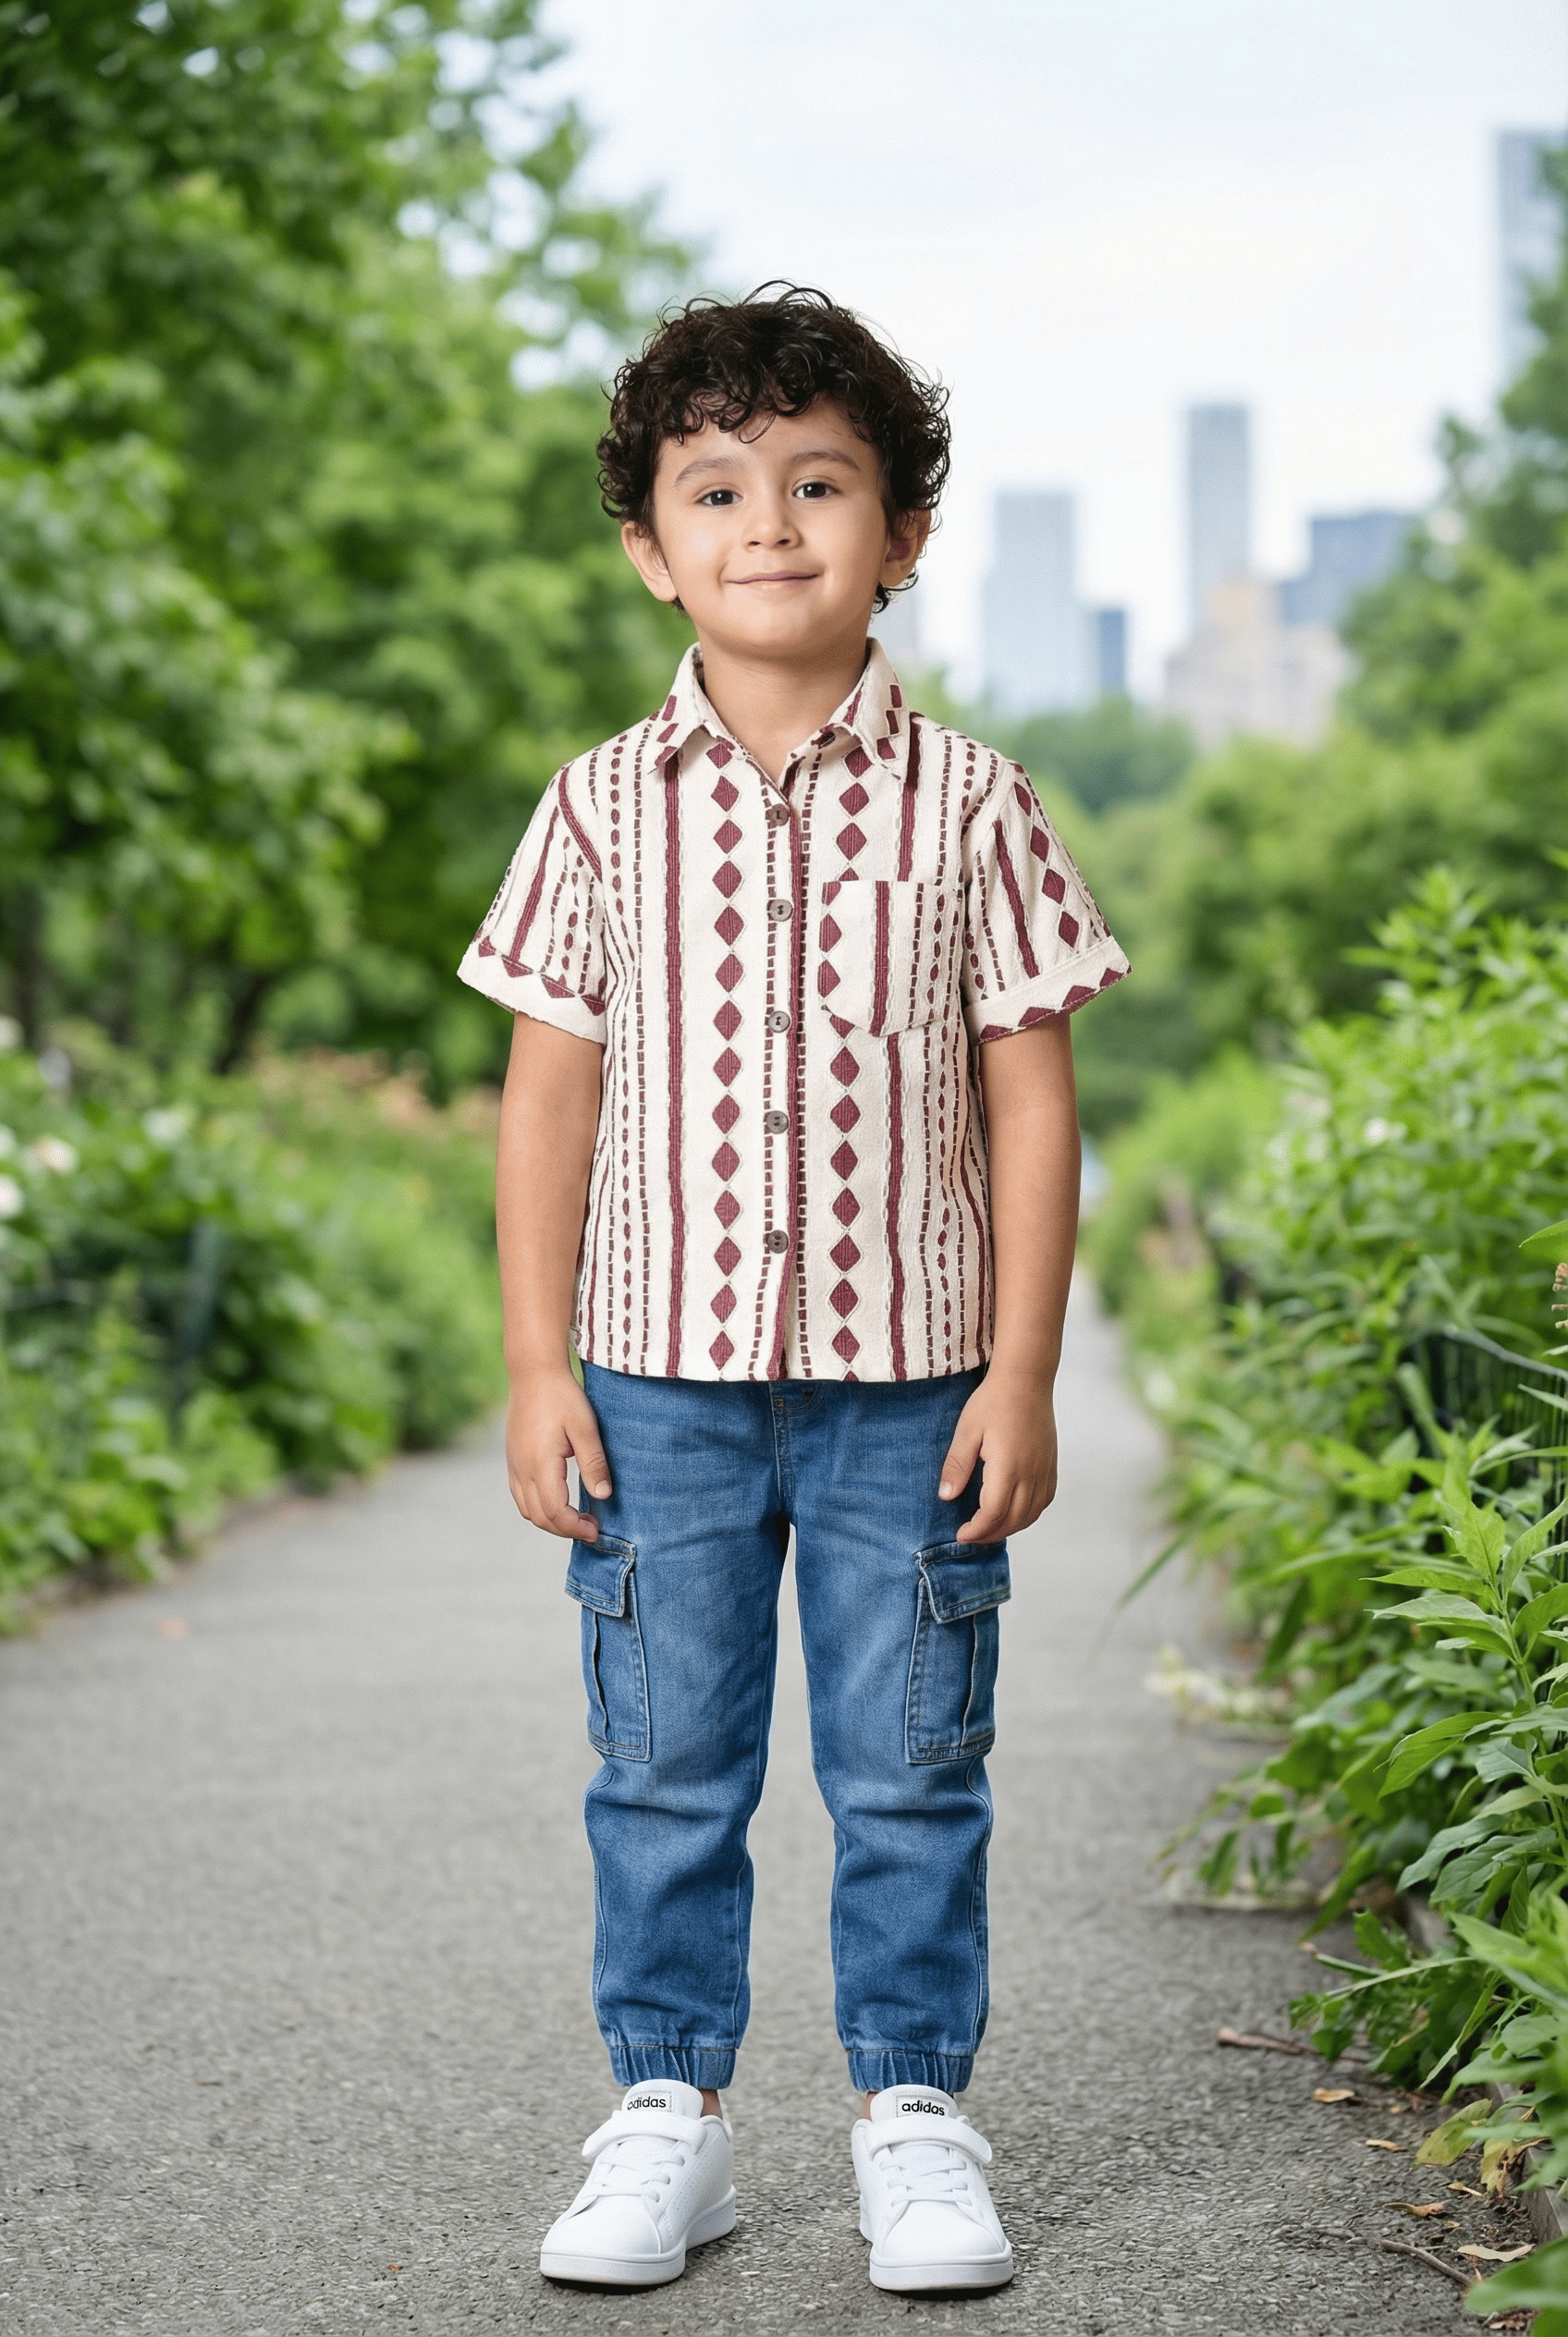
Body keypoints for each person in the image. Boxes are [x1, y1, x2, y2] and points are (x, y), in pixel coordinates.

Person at [458, 286, 1129, 2294]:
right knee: (661, 1762)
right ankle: (668, 2113)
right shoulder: (594, 805)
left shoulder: (977, 805)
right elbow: (544, 1101)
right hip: (651, 1377)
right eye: (718, 489)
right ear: (651, 546)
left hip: (907, 1384)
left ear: (900, 534)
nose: (771, 525)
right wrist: (531, 1362)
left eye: (820, 483)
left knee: (912, 1759)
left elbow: (1029, 1096)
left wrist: (1021, 1372)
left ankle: (911, 2116)